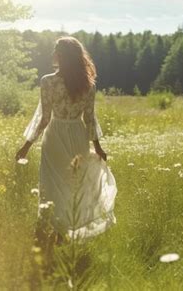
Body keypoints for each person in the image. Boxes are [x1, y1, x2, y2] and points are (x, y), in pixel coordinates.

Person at [15, 36, 117, 251]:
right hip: (77, 134)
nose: (53, 53)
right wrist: (98, 147)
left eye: (55, 50)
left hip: (55, 135)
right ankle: (67, 230)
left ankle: (51, 230)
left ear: (61, 55)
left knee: (51, 183)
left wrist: (26, 146)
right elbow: (89, 119)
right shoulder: (88, 85)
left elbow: (44, 118)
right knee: (74, 184)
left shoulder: (48, 81)